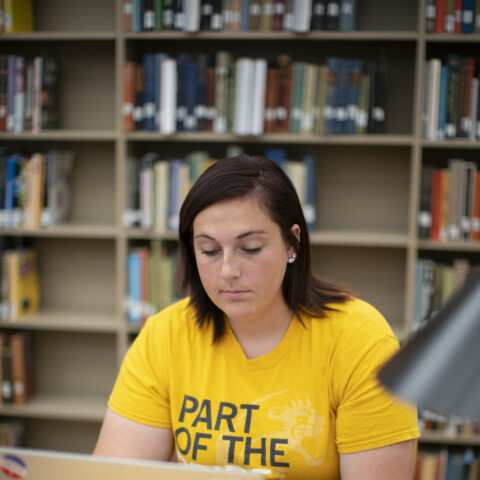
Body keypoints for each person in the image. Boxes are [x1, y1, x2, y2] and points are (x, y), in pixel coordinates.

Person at [94, 154, 419, 479]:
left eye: (249, 248)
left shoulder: (361, 341)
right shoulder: (165, 336)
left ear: (292, 241)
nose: (228, 271)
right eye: (209, 250)